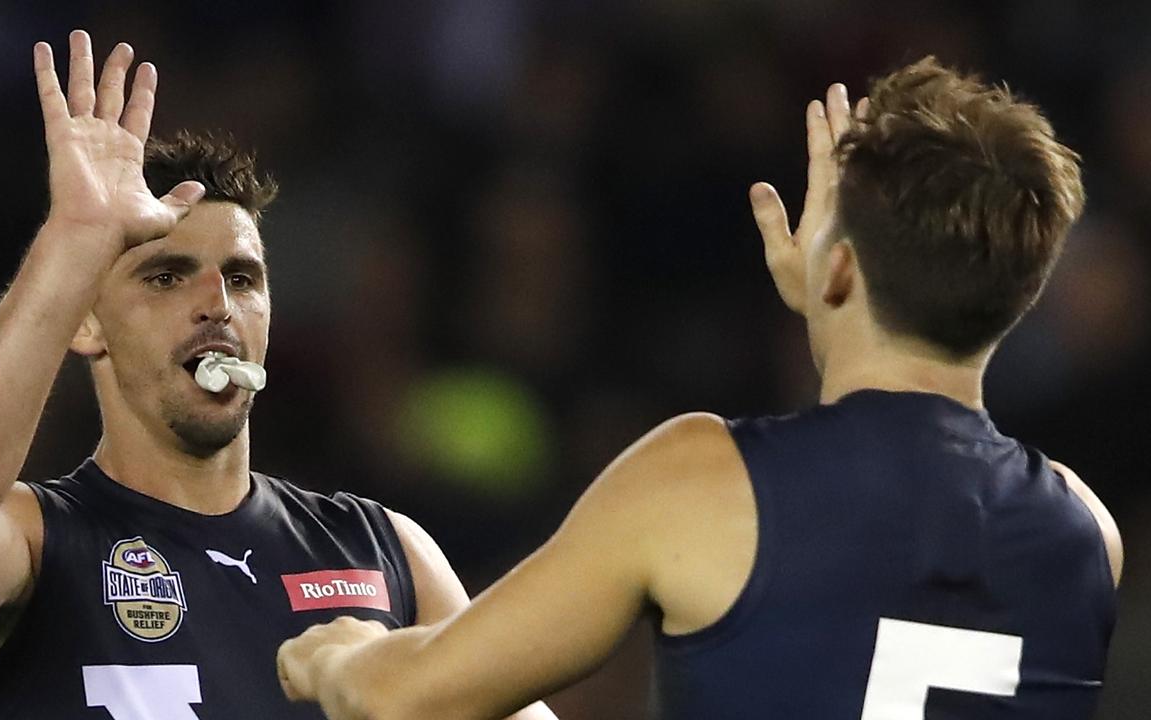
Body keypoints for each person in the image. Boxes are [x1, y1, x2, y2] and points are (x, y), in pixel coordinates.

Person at [277, 58, 1123, 720]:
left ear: (833, 267)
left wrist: (342, 651)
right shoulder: (1086, 533)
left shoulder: (703, 476)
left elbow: (402, 698)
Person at [0, 30, 554, 720]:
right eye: (165, 277)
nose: (216, 306)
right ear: (84, 324)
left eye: (241, 277)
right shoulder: (38, 541)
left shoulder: (387, 555)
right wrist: (75, 240)